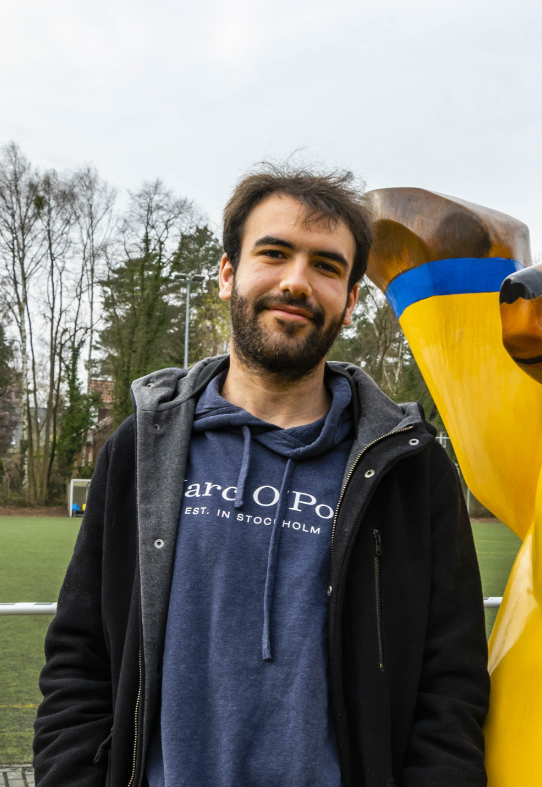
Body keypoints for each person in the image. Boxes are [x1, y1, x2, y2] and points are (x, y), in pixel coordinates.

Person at [33, 165, 489, 787]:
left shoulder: (410, 466)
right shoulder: (143, 446)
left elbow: (450, 684)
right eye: (274, 253)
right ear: (228, 274)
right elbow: (79, 656)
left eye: (326, 266)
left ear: (350, 302)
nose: (296, 281)